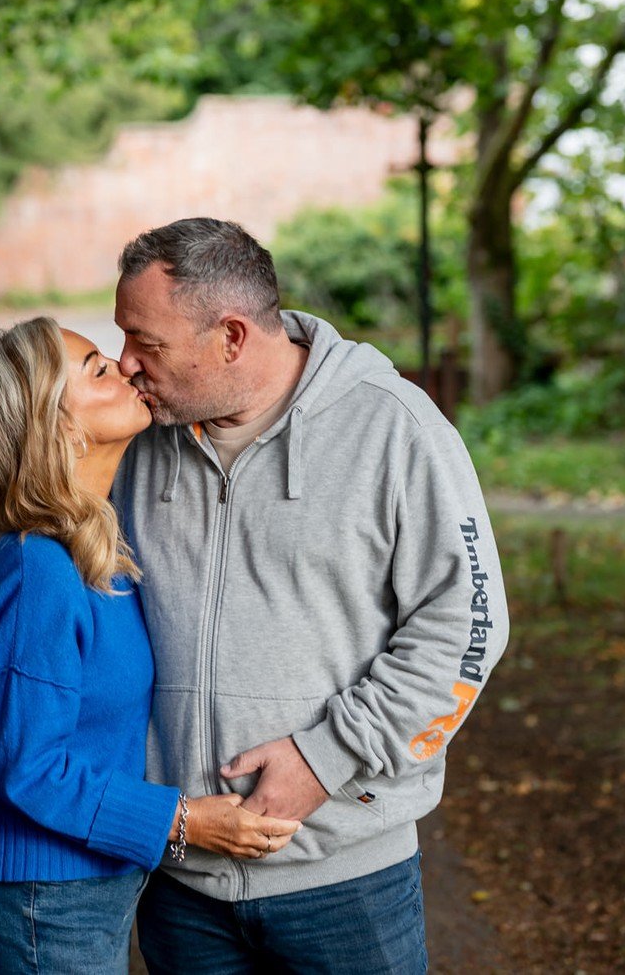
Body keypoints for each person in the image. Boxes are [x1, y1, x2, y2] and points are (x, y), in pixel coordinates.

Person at [112, 218, 509, 974]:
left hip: (346, 885)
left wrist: (326, 758)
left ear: (231, 336)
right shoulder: (137, 439)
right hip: (179, 879)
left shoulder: (396, 430)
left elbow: (468, 628)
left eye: (147, 343)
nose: (126, 364)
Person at [0, 316, 302, 974]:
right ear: (58, 428)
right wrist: (185, 822)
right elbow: (28, 766)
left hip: (81, 893)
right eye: (97, 368)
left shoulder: (94, 547)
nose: (125, 367)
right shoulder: (36, 571)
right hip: (43, 904)